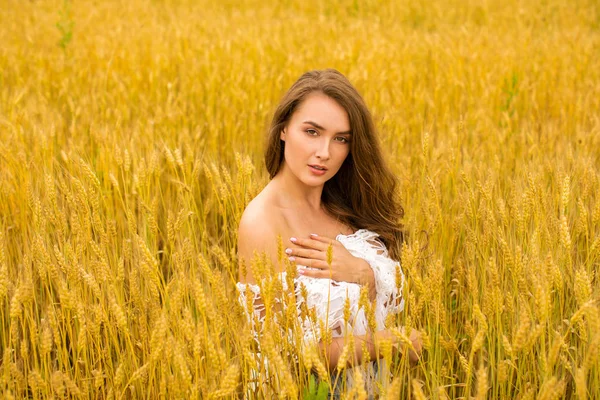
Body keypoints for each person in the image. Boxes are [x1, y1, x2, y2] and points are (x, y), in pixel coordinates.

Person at [236, 69, 421, 394]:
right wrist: (391, 341)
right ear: (283, 130)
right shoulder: (262, 224)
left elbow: (392, 298)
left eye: (341, 138)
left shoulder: (348, 204)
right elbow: (282, 353)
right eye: (311, 132)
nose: (325, 151)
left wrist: (363, 274)